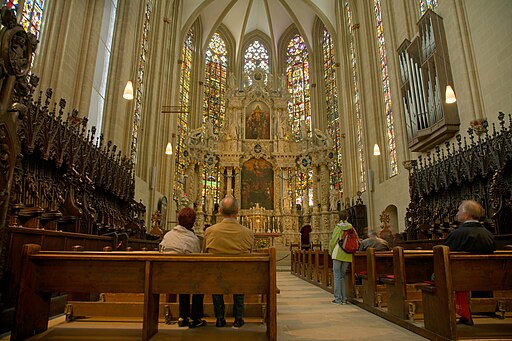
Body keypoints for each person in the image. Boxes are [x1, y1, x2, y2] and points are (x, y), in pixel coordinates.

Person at [203, 196, 254, 329]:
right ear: (237, 210)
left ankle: (219, 318)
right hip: (240, 277)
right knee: (239, 277)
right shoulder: (248, 233)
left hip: (216, 276)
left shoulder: (210, 232)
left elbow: (204, 254)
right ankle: (238, 318)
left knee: (216, 277)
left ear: (219, 211)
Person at [444, 199, 496, 325]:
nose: (457, 214)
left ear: (466, 215)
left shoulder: (457, 234)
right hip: (488, 277)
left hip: (458, 277)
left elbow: (443, 256)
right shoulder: (488, 235)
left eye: (459, 211)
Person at [159, 207, 206, 328]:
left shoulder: (168, 236)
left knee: (183, 278)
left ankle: (183, 316)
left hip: (165, 276)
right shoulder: (193, 239)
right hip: (184, 277)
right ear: (193, 223)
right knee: (199, 282)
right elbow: (197, 260)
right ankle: (196, 317)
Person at [328, 211, 353, 305]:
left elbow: (333, 241)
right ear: (347, 217)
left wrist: (330, 252)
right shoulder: (351, 227)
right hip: (347, 253)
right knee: (343, 276)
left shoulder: (338, 227)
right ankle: (344, 299)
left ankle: (338, 299)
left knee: (337, 276)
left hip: (338, 252)